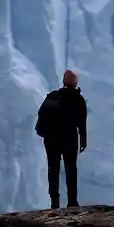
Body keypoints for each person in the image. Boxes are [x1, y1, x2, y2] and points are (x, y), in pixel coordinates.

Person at [35, 69, 88, 209]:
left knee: (53, 170)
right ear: (75, 83)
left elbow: (41, 114)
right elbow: (81, 122)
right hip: (69, 138)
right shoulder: (78, 99)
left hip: (51, 138)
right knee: (71, 170)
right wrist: (83, 140)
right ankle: (72, 202)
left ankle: (54, 202)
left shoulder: (52, 96)